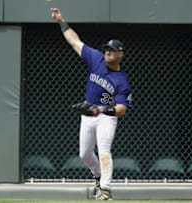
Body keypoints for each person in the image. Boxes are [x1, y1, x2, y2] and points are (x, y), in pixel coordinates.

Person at [51, 8, 133, 200]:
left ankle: (105, 189)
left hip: (106, 117)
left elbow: (121, 110)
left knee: (104, 150)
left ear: (120, 54)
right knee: (85, 154)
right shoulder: (96, 58)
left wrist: (102, 109)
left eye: (111, 50)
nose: (107, 52)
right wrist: (62, 21)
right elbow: (74, 41)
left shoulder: (122, 80)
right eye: (106, 49)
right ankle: (98, 177)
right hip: (88, 113)